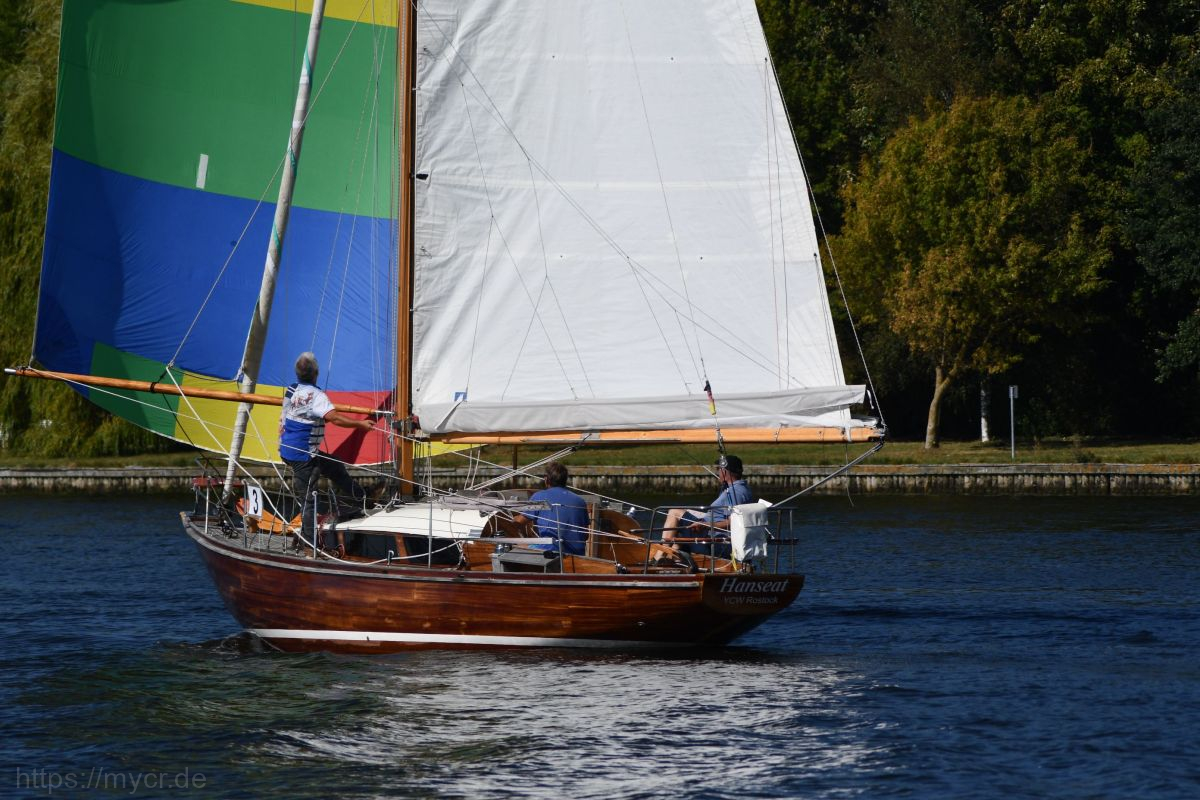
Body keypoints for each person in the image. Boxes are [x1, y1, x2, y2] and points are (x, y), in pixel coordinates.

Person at [279, 352, 374, 554]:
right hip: (303, 456)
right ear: (316, 373)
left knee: (334, 466)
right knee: (309, 500)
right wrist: (360, 425)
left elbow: (284, 414)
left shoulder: (291, 389)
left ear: (298, 373)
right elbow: (335, 418)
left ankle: (363, 497)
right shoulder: (317, 396)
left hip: (288, 449)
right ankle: (309, 545)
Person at [662, 454, 753, 558]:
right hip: (712, 533)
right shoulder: (742, 488)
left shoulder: (734, 492)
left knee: (674, 513)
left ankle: (661, 554)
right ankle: (670, 560)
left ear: (724, 471)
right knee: (679, 529)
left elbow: (733, 522)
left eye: (718, 469)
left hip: (715, 540)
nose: (717, 472)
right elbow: (723, 514)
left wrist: (705, 525)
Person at [513, 462, 590, 556]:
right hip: (577, 553)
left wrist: (512, 518)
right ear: (565, 479)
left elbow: (519, 521)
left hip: (552, 551)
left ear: (546, 479)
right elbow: (586, 535)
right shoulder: (580, 501)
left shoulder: (539, 497)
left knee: (517, 546)